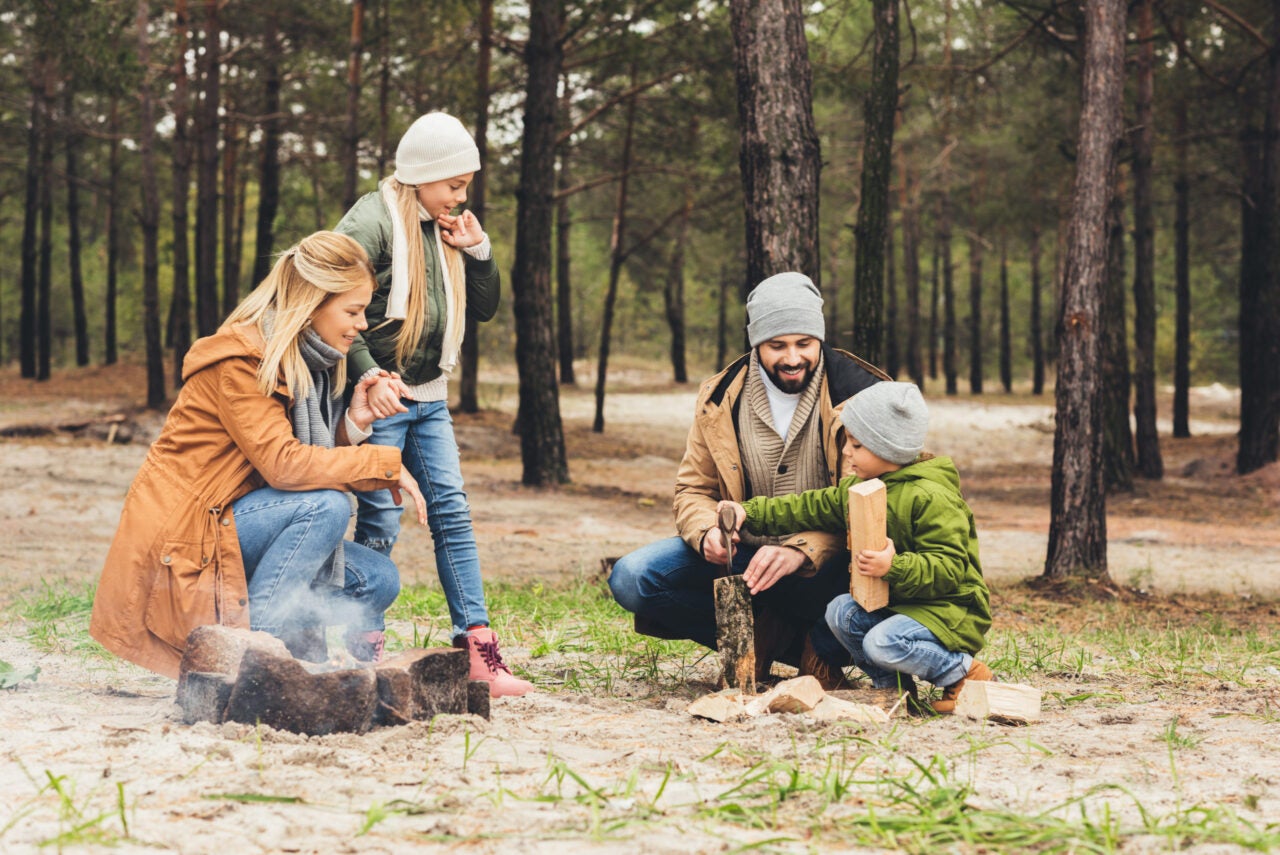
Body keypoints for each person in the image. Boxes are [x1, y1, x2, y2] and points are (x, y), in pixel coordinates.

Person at [90, 231, 428, 678]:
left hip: (234, 521)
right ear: (312, 303)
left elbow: (294, 460)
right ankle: (261, 661)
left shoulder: (309, 362)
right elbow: (285, 466)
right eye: (353, 310)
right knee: (323, 507)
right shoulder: (243, 362)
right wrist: (381, 463)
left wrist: (353, 426)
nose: (362, 324)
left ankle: (295, 652)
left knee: (376, 580)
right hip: (188, 539)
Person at [607, 272, 888, 686]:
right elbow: (693, 489)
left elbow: (878, 500)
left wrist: (801, 550)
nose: (792, 358)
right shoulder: (719, 397)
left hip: (833, 562)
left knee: (886, 566)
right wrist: (707, 534)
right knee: (633, 577)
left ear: (820, 340)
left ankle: (822, 647)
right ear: (756, 343)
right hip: (745, 558)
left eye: (804, 344)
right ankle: (759, 638)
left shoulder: (863, 394)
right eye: (777, 346)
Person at [334, 111, 531, 697]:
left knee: (451, 511)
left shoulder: (446, 222)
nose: (462, 195)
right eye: (455, 183)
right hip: (384, 394)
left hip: (430, 396)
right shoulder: (372, 219)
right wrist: (369, 375)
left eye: (466, 183)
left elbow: (487, 306)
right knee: (380, 516)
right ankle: (360, 641)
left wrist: (479, 251)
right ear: (423, 174)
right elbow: (331, 301)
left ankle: (480, 652)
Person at [717, 381, 993, 713]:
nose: (846, 452)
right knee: (841, 612)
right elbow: (809, 506)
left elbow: (950, 569)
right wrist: (750, 513)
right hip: (905, 605)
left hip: (948, 610)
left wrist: (895, 568)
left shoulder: (931, 497)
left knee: (882, 642)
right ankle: (894, 692)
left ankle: (965, 676)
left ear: (887, 450)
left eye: (857, 444)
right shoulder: (862, 489)